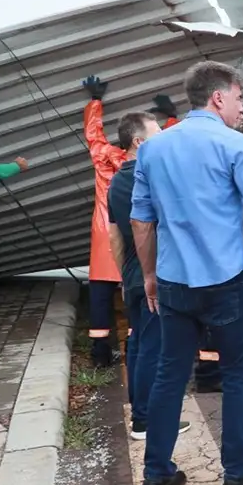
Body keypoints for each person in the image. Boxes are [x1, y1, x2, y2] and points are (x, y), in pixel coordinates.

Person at [130, 60, 243, 485]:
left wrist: (149, 275)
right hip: (225, 285)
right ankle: (239, 475)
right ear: (219, 97)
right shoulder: (233, 144)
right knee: (239, 376)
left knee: (170, 375)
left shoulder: (153, 149)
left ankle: (156, 474)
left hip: (173, 284)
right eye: (241, 98)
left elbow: (141, 222)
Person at [105, 112, 191, 441]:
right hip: (154, 273)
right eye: (156, 134)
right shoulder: (151, 177)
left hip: (132, 275)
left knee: (139, 344)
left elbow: (114, 238)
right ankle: (146, 420)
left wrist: (125, 279)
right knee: (154, 348)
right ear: (138, 143)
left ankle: (138, 411)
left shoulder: (115, 184)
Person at [82, 78, 178, 368]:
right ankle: (138, 344)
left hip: (105, 231)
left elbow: (93, 136)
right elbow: (171, 144)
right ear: (139, 141)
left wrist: (95, 101)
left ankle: (100, 352)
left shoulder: (105, 159)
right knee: (142, 295)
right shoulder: (148, 166)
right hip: (134, 234)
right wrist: (172, 116)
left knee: (100, 294)